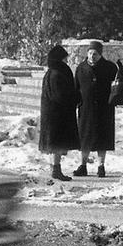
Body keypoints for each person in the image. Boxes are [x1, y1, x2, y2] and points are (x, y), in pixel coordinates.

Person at [73, 39, 117, 178]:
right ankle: (83, 165)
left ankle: (101, 166)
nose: (92, 56)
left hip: (104, 108)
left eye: (95, 54)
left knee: (102, 139)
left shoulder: (110, 67)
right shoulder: (81, 68)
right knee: (84, 138)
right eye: (90, 53)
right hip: (86, 109)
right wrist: (76, 103)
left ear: (100, 55)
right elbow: (76, 87)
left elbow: (117, 85)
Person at [38, 44, 80, 181]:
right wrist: (77, 97)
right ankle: (56, 169)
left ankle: (54, 168)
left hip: (53, 114)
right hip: (57, 115)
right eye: (64, 59)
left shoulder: (52, 72)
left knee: (55, 144)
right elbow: (61, 96)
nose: (66, 61)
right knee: (57, 144)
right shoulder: (57, 74)